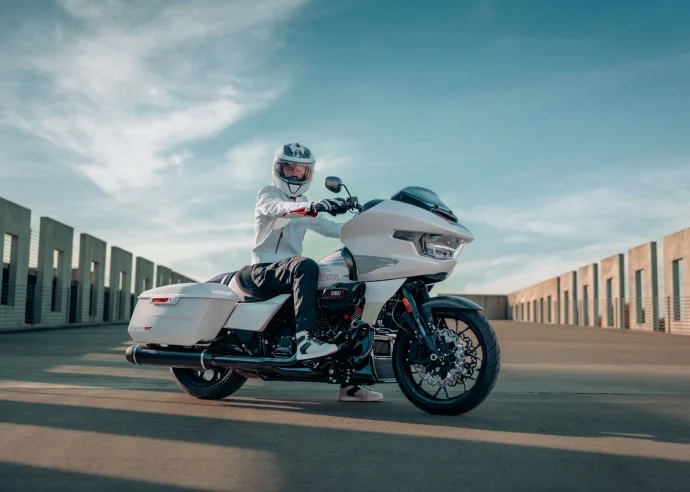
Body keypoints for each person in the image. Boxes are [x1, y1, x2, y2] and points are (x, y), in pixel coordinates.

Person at [231, 142, 383, 403]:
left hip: (289, 272)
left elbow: (333, 229)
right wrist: (317, 205)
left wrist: (367, 224)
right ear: (278, 169)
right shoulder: (268, 194)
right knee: (306, 264)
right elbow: (278, 209)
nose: (294, 175)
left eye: (300, 171)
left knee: (350, 288)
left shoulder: (304, 204)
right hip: (262, 271)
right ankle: (304, 339)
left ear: (308, 174)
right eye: (288, 168)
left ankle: (349, 385)